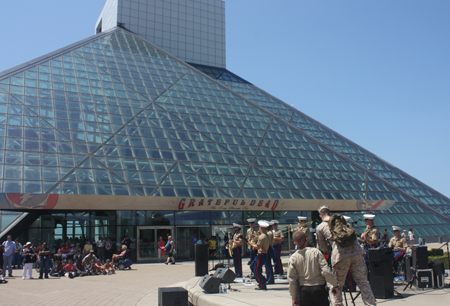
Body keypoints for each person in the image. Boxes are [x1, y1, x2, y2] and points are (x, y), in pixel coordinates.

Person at [316, 205, 376, 306]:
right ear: (330, 213)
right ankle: (370, 304)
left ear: (320, 216)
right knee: (363, 283)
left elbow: (323, 248)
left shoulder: (321, 227)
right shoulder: (341, 221)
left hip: (340, 256)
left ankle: (338, 304)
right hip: (357, 252)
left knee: (337, 285)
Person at [288, 230, 339, 306]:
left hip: (304, 291)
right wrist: (335, 285)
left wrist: (294, 296)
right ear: (306, 240)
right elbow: (325, 271)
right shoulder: (316, 252)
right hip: (318, 289)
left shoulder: (293, 258)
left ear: (295, 243)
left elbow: (292, 280)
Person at [249, 220, 270, 290]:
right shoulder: (266, 235)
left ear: (261, 228)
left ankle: (262, 284)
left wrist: (251, 244)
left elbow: (258, 247)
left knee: (257, 270)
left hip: (261, 254)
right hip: (263, 254)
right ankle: (262, 279)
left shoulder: (262, 236)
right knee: (252, 266)